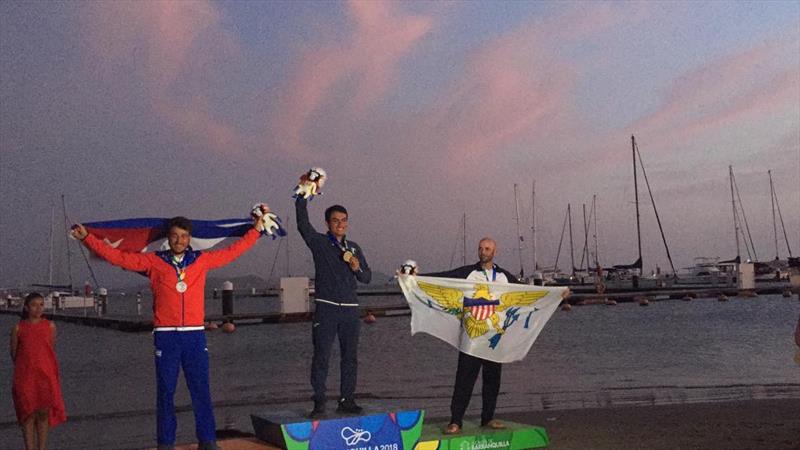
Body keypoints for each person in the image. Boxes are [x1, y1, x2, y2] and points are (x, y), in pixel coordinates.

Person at [71, 206, 271, 450]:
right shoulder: (153, 262)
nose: (179, 240)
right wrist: (87, 238)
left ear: (189, 239)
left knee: (201, 391)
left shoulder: (201, 260)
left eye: (184, 236)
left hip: (194, 335)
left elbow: (232, 251)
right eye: (175, 236)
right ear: (168, 238)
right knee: (166, 393)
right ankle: (166, 443)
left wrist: (256, 231)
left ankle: (207, 441)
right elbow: (119, 257)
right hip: (166, 336)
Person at [419, 237, 521, 434]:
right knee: (464, 379)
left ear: (494, 252)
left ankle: (488, 418)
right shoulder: (468, 273)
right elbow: (442, 278)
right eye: (481, 248)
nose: (484, 251)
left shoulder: (504, 276)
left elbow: (530, 291)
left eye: (488, 248)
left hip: (493, 339)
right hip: (471, 338)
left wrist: (558, 294)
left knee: (492, 380)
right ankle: (456, 420)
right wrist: (415, 277)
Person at [295, 175, 371, 418]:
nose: (340, 224)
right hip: (326, 308)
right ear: (328, 223)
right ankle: (319, 402)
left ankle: (347, 400)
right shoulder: (318, 242)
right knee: (322, 357)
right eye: (335, 220)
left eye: (344, 220)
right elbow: (302, 225)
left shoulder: (354, 247)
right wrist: (302, 197)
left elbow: (367, 278)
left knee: (350, 358)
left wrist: (357, 267)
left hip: (350, 309)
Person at [10, 292, 67, 450]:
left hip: (45, 376)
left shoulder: (50, 326)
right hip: (25, 377)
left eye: (41, 304)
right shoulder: (18, 328)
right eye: (34, 305)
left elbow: (50, 350)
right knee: (27, 414)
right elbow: (14, 354)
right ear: (27, 307)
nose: (38, 308)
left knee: (43, 414)